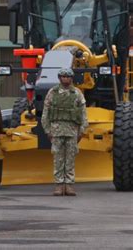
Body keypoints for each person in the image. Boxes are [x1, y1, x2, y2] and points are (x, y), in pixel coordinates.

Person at [41, 68, 88, 196]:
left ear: (72, 78)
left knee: (70, 159)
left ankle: (69, 185)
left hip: (72, 131)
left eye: (68, 77)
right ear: (59, 78)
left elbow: (83, 114)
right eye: (63, 76)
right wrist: (47, 130)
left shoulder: (77, 93)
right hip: (56, 131)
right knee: (58, 159)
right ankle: (58, 185)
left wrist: (82, 130)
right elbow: (45, 114)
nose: (66, 79)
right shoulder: (52, 92)